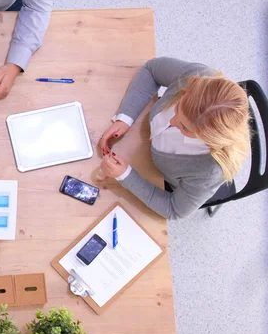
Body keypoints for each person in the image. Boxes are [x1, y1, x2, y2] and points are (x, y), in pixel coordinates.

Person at [98, 57, 251, 220]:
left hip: (158, 176)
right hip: (141, 145)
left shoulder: (210, 172)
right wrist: (126, 118)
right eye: (178, 107)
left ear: (208, 140)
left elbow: (174, 210)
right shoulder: (200, 76)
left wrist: (126, 175)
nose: (171, 121)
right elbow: (151, 70)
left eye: (184, 128)